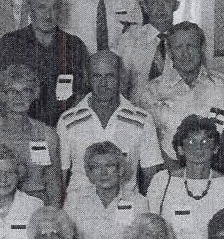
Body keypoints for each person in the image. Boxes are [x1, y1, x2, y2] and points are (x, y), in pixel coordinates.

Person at [134, 22, 224, 171]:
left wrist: (209, 173)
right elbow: (149, 143)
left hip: (213, 174)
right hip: (167, 175)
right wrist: (176, 175)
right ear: (169, 52)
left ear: (201, 48)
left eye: (191, 46)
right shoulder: (152, 91)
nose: (185, 54)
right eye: (178, 47)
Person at [56, 50, 163, 198]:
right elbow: (60, 176)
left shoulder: (142, 120)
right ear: (87, 78)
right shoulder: (68, 120)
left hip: (124, 209)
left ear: (121, 77)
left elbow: (151, 177)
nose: (103, 84)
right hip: (79, 208)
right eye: (97, 76)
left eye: (110, 76)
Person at [0, 0, 90, 127]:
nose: (48, 15)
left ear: (60, 11)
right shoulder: (11, 42)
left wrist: (68, 125)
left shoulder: (74, 45)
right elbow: (0, 92)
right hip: (22, 127)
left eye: (54, 8)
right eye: (42, 7)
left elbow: (83, 92)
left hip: (65, 126)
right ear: (30, 11)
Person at [0, 65, 62, 207]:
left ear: (35, 94)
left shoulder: (47, 135)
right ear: (1, 95)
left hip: (38, 211)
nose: (18, 97)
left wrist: (50, 219)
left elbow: (54, 187)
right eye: (11, 91)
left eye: (25, 91)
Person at [65, 141, 148, 239]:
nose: (103, 172)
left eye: (109, 166)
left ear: (120, 169)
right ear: (89, 173)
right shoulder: (75, 200)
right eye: (96, 167)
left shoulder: (138, 202)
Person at [114, 0, 181, 98]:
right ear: (145, 7)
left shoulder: (184, 39)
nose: (160, 7)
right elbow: (121, 86)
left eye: (166, 1)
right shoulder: (130, 39)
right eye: (154, 2)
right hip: (137, 110)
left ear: (176, 5)